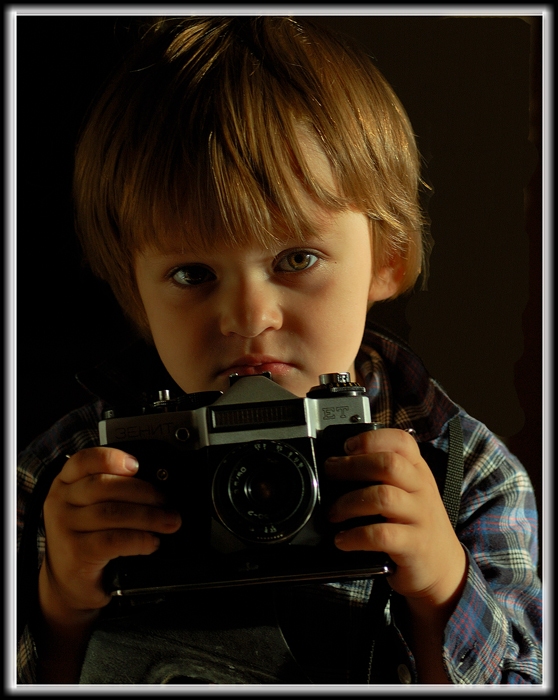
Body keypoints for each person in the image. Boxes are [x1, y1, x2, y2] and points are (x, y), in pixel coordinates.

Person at [17, 16, 542, 685]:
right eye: (191, 275)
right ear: (134, 291)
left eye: (296, 258)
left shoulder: (465, 475)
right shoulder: (66, 478)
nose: (247, 316)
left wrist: (442, 591)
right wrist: (60, 607)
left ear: (388, 258)